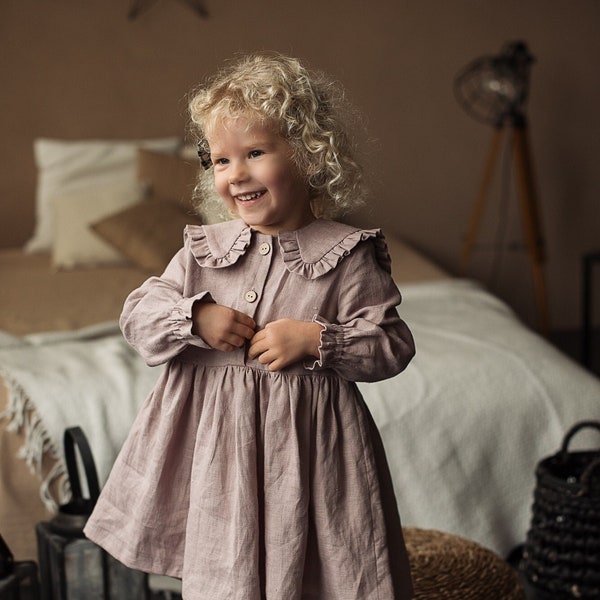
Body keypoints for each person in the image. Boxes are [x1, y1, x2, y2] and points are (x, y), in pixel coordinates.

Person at [84, 52, 415, 600]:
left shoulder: (348, 254)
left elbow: (392, 344)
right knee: (224, 572)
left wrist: (319, 339)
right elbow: (138, 315)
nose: (235, 173)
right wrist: (195, 316)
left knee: (318, 573)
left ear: (311, 154)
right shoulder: (203, 251)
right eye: (219, 160)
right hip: (217, 456)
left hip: (308, 458)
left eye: (255, 153)